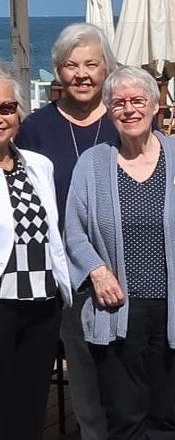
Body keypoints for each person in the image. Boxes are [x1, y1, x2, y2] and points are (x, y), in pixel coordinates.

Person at [64, 66, 175, 440]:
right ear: (109, 111)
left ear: (155, 105)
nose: (129, 110)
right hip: (116, 310)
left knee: (166, 417)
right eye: (119, 103)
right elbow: (73, 232)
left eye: (138, 101)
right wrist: (96, 271)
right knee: (125, 420)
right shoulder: (92, 164)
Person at [16, 22, 119, 440]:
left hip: (123, 268)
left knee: (126, 374)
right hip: (64, 276)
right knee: (85, 378)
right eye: (71, 65)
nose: (82, 74)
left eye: (91, 64)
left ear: (107, 68)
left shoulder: (124, 118)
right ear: (58, 71)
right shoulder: (35, 129)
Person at [0, 70, 74, 440]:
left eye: (7, 107)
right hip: (2, 303)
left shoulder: (38, 165)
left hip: (42, 304)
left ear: (19, 113)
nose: (0, 116)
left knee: (30, 407)